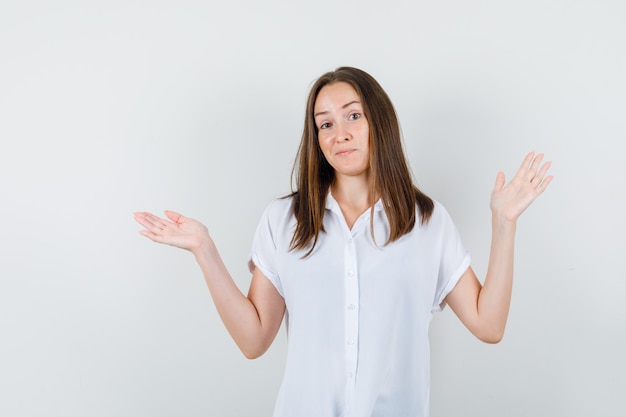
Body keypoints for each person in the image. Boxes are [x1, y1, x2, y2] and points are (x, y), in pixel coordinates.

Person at [133, 66, 552, 417]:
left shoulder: (427, 221)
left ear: (379, 122)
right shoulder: (284, 221)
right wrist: (204, 249)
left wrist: (503, 223)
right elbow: (254, 339)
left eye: (353, 116)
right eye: (326, 124)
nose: (340, 133)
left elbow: (489, 325)